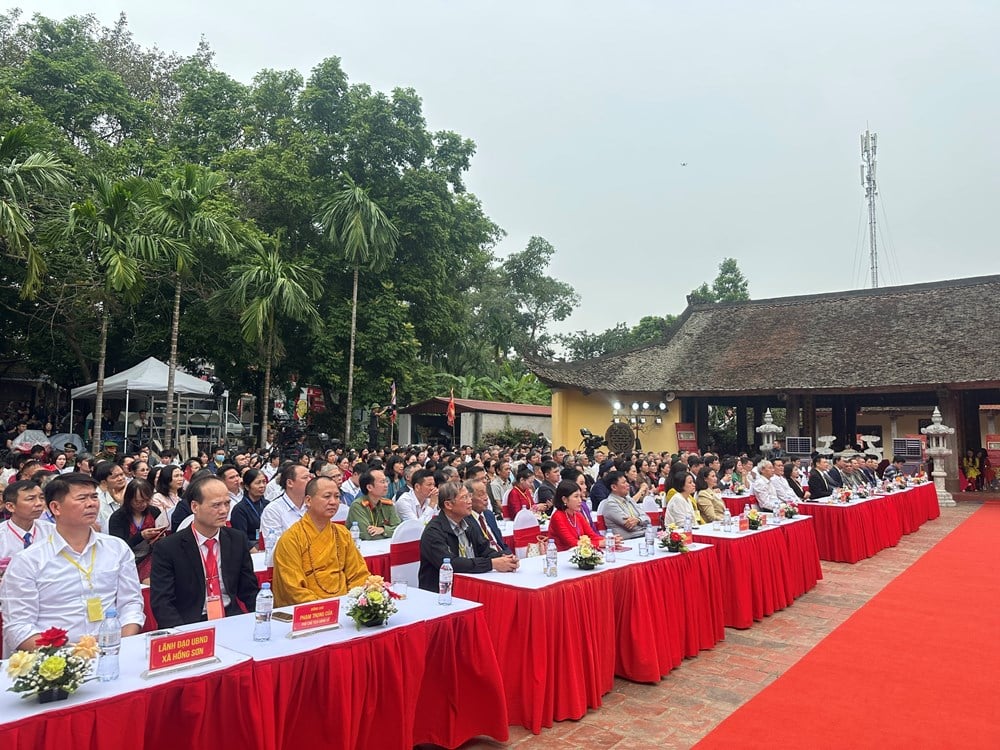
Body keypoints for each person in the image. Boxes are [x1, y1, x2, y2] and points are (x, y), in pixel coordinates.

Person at [1, 473, 144, 654]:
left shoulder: (116, 548)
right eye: (82, 498)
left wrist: (120, 641)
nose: (92, 503)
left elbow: (131, 603)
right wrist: (72, 654)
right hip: (55, 661)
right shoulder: (28, 561)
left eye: (94, 496)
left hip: (113, 651)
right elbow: (19, 627)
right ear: (55, 508)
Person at [150, 476, 258, 628]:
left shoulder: (236, 539)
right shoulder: (168, 548)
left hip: (230, 617)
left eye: (227, 503)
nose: (224, 511)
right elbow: (162, 603)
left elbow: (249, 590)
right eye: (216, 505)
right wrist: (184, 634)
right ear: (195, 507)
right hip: (189, 623)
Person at [271, 476, 370, 607]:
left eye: (337, 496)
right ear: (308, 500)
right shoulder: (291, 539)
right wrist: (325, 607)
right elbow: (293, 589)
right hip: (310, 612)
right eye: (327, 496)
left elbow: (358, 574)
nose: (333, 502)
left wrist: (352, 601)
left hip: (345, 605)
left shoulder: (343, 533)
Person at [418, 480, 518, 592]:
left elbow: (484, 549)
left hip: (471, 583)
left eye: (469, 496)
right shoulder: (433, 531)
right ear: (448, 505)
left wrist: (503, 557)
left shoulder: (469, 522)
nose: (470, 501)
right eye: (464, 498)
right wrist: (491, 564)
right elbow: (451, 564)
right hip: (442, 592)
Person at [108, 479, 168, 581]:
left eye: (146, 500)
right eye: (138, 502)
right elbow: (118, 547)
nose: (143, 505)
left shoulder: (154, 511)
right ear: (129, 499)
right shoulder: (118, 517)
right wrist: (141, 536)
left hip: (152, 555)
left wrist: (161, 536)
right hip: (128, 559)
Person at [547, 479, 608, 551]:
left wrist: (608, 540)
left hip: (578, 553)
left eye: (580, 496)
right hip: (561, 556)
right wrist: (599, 543)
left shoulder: (578, 515)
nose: (580, 500)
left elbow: (592, 535)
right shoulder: (558, 517)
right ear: (564, 499)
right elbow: (572, 543)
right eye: (576, 497)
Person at [0, 480, 53, 562]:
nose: (39, 503)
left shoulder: (52, 530)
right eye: (30, 499)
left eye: (42, 498)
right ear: (10, 506)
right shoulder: (2, 535)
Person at [259, 463, 312, 540]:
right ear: (290, 483)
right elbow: (274, 546)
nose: (310, 480)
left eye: (310, 477)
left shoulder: (313, 505)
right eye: (305, 478)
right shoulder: (273, 510)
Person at [345, 470, 402, 540]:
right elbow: (367, 535)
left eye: (386, 481)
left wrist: (383, 530)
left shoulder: (388, 504)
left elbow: (399, 529)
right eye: (382, 482)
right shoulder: (358, 506)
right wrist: (389, 533)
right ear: (369, 487)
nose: (386, 485)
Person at [601, 470, 651, 540]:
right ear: (614, 487)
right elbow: (631, 527)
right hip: (627, 541)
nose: (628, 484)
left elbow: (648, 519)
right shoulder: (610, 504)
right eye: (624, 483)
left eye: (627, 481)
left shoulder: (629, 499)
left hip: (642, 536)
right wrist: (643, 524)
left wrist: (638, 520)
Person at [467, 478, 511, 554]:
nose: (486, 498)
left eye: (486, 493)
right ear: (469, 498)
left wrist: (509, 554)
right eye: (481, 494)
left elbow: (501, 543)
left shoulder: (489, 514)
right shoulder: (466, 521)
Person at [230, 468, 269, 549]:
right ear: (247, 487)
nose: (262, 486)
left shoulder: (268, 505)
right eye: (258, 483)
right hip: (251, 549)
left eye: (264, 482)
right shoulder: (240, 509)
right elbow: (241, 537)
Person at [94, 461, 127, 533]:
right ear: (104, 483)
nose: (121, 478)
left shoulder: (133, 495)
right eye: (115, 477)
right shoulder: (98, 503)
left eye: (122, 474)